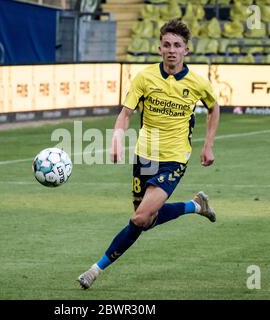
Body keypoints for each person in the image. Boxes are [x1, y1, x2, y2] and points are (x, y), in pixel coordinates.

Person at [77, 18, 220, 290]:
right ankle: (196, 206)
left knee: (139, 219)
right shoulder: (144, 77)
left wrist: (208, 144)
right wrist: (117, 136)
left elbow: (214, 108)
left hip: (174, 159)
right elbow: (125, 113)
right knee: (146, 220)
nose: (172, 50)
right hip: (144, 157)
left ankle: (94, 270)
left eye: (177, 45)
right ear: (159, 48)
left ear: (186, 50)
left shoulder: (198, 83)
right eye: (167, 44)